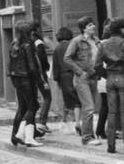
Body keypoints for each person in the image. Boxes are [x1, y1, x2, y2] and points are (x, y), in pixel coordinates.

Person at [98, 18, 124, 154]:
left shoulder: (103, 44)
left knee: (112, 112)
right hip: (123, 77)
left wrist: (106, 74)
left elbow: (96, 65)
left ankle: (111, 145)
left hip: (110, 78)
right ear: (121, 29)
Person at [63, 17, 102, 146]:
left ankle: (90, 134)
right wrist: (80, 72)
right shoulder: (77, 41)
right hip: (82, 79)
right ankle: (86, 137)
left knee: (91, 107)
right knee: (89, 107)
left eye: (93, 24)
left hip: (93, 77)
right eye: (90, 25)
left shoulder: (97, 41)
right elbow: (67, 58)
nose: (93, 27)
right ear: (84, 28)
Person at [8, 21, 43, 149]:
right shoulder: (28, 45)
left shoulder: (14, 44)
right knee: (33, 106)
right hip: (27, 80)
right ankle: (28, 137)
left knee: (23, 108)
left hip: (17, 79)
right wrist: (40, 81)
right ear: (28, 32)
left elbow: (10, 64)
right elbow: (32, 67)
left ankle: (15, 135)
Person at [51, 27, 77, 132]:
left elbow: (55, 66)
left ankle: (66, 122)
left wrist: (56, 79)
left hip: (63, 77)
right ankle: (75, 122)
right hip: (73, 74)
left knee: (67, 101)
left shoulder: (57, 48)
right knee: (76, 100)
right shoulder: (72, 45)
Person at [31, 22, 52, 137]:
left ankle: (32, 126)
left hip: (30, 75)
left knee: (33, 100)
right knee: (48, 97)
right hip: (40, 74)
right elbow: (42, 59)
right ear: (37, 30)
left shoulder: (28, 41)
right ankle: (42, 122)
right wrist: (46, 67)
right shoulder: (38, 43)